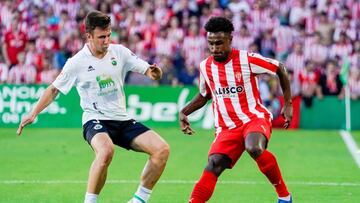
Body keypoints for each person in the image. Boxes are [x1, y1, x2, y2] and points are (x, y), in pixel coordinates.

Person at [17, 10, 170, 203]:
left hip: (121, 119)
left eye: (108, 35)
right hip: (95, 120)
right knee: (106, 151)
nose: (106, 41)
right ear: (89, 36)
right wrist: (33, 113)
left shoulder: (120, 52)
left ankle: (139, 200)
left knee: (162, 149)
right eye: (101, 37)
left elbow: (150, 71)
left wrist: (156, 72)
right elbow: (53, 89)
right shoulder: (76, 62)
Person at [179, 17, 293, 203]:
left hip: (253, 118)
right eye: (211, 44)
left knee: (253, 147)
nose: (215, 48)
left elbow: (279, 68)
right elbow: (205, 94)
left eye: (219, 43)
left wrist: (288, 103)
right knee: (213, 164)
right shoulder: (205, 67)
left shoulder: (246, 60)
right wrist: (184, 111)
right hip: (226, 127)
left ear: (230, 40)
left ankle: (284, 196)